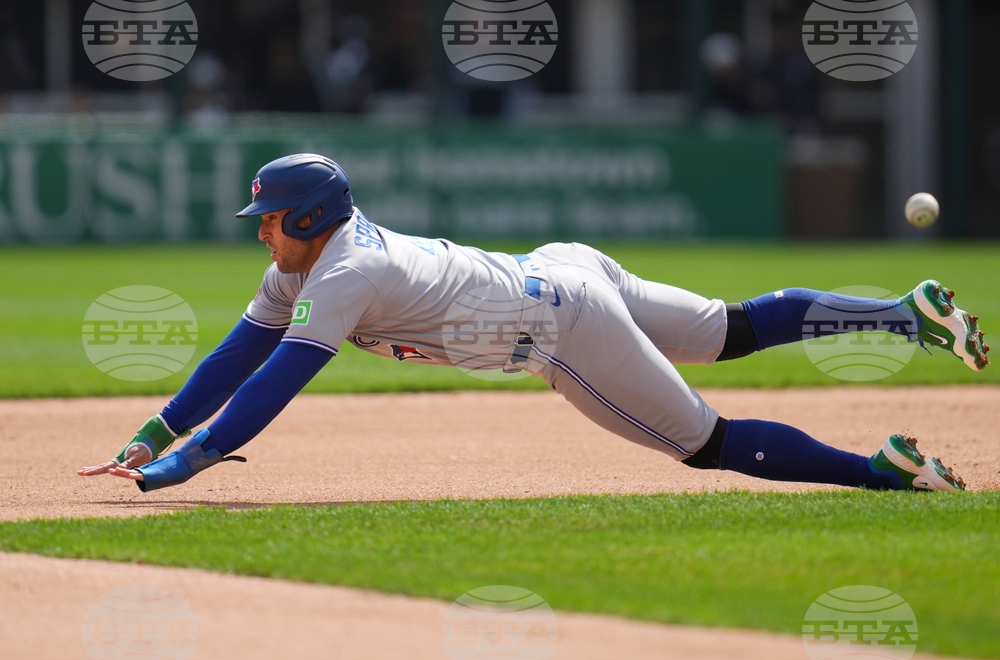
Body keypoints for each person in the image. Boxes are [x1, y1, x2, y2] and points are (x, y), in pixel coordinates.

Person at [78, 154, 989, 493]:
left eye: (270, 219)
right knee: (734, 329)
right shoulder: (307, 264)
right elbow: (238, 353)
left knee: (706, 444)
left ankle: (882, 474)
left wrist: (187, 463)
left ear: (309, 220)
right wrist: (157, 429)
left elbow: (276, 381)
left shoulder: (346, 273)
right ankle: (905, 317)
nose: (261, 232)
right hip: (560, 266)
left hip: (559, 325)